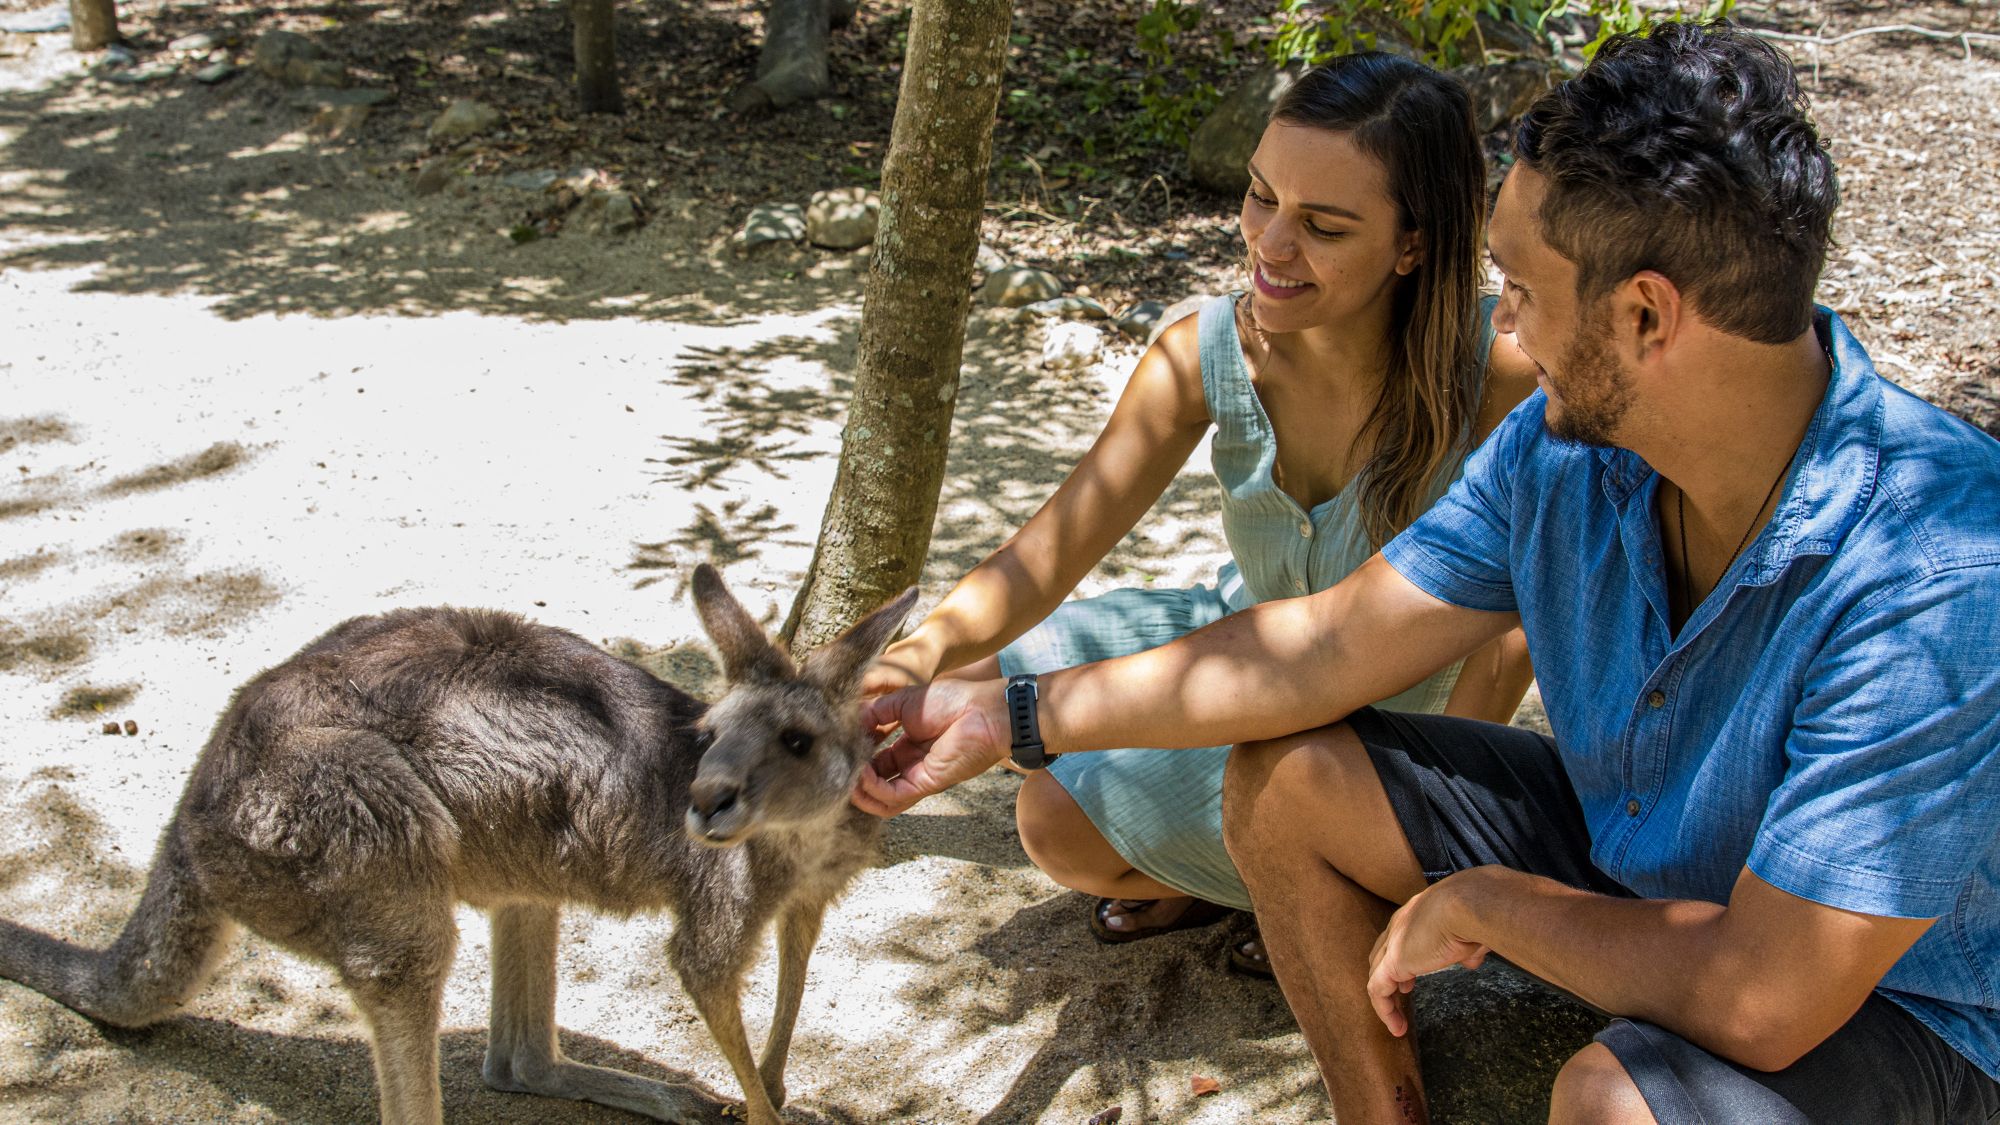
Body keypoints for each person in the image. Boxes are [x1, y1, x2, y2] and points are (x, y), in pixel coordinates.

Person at [857, 21, 2000, 1124]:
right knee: (1290, 770)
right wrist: (1007, 712)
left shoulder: (1935, 570)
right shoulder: (1561, 456)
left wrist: (1489, 904)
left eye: (1526, 290)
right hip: (1643, 861)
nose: (1508, 323)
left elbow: (1764, 996)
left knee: (1613, 1102)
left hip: (1906, 1001)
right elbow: (1315, 649)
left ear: (1645, 314)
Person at [859, 52, 1538, 973]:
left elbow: (1513, 634)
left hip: (1385, 717)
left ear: (1412, 244)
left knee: (1054, 818)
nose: (1270, 244)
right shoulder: (1204, 350)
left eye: (1324, 226)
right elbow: (1050, 550)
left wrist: (1427, 827)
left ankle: (1320, 880)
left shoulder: (1498, 374)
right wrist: (915, 651)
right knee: (958, 678)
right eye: (1261, 196)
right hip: (1231, 641)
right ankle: (1223, 873)